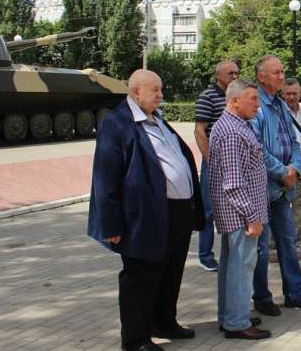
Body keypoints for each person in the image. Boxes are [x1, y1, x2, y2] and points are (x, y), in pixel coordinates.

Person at [87, 70, 204, 351]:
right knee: (140, 278)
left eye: (161, 89)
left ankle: (164, 321)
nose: (161, 95)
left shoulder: (158, 120)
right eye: (155, 90)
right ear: (135, 92)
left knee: (170, 272)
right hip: (143, 216)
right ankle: (136, 339)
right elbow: (105, 178)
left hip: (177, 212)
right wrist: (110, 226)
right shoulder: (117, 124)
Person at [250, 55, 301, 316]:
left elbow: (293, 141)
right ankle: (261, 298)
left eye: (282, 72)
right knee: (260, 248)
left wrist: (293, 167)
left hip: (284, 185)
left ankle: (294, 293)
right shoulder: (256, 105)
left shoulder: (280, 104)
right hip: (264, 186)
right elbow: (255, 147)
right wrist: (283, 170)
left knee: (288, 240)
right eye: (276, 73)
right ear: (262, 77)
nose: (282, 77)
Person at [209, 79, 271, 340]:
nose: (257, 105)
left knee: (232, 266)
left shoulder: (235, 125)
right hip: (240, 215)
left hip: (237, 214)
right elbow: (233, 183)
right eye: (253, 99)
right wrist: (252, 217)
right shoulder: (232, 132)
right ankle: (236, 322)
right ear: (234, 101)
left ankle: (232, 315)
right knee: (241, 267)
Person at [194, 60, 240, 272]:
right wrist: (211, 160)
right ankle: (205, 255)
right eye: (230, 73)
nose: (234, 76)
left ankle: (230, 254)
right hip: (214, 161)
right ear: (218, 76)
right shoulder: (208, 96)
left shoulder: (236, 96)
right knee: (209, 210)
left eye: (237, 72)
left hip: (235, 160)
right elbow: (200, 131)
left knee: (232, 208)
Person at [282, 78, 301, 256]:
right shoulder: (277, 112)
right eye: (288, 94)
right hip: (282, 163)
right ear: (282, 95)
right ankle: (275, 245)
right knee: (280, 203)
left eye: (294, 93)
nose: (291, 97)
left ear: (300, 94)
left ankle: (296, 243)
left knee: (300, 204)